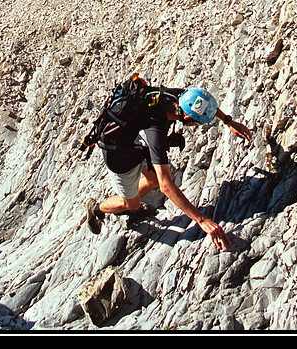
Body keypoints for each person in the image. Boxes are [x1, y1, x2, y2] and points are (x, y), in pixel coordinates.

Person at [85, 85, 252, 251]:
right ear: (187, 118)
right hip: (120, 156)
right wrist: (202, 221)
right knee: (132, 204)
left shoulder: (179, 98)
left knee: (153, 180)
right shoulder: (155, 128)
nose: (197, 126)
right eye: (197, 123)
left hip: (137, 143)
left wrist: (228, 121)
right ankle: (97, 208)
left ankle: (130, 197)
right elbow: (166, 186)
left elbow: (203, 104)